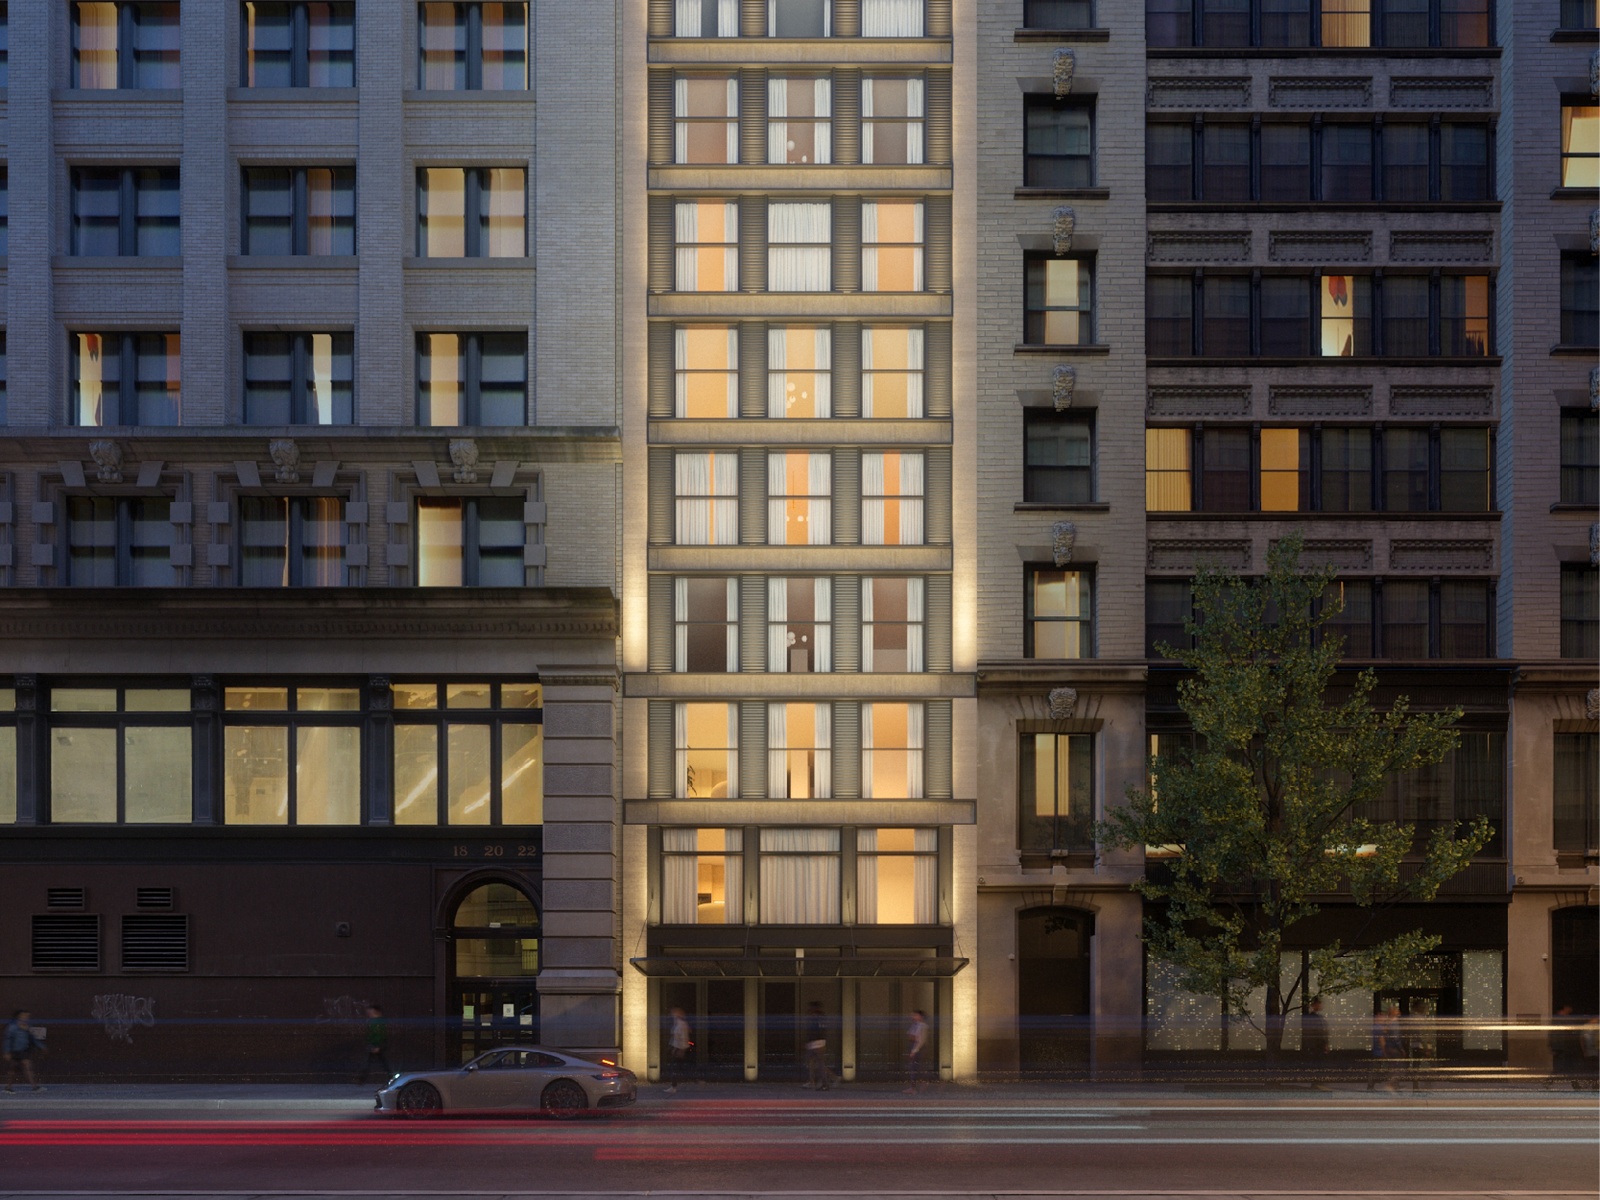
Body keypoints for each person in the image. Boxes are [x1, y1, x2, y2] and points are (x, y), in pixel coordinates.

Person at [1367, 1002, 1404, 1092]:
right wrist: (1385, 1052)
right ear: (1378, 1015)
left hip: (1379, 1051)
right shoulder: (1379, 1027)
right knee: (1386, 1069)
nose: (1384, 1017)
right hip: (1380, 1051)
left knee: (1383, 1068)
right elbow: (1382, 1040)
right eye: (1382, 1015)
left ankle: (1391, 1085)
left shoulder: (1378, 1026)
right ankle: (1388, 1085)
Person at [3, 1011, 43, 1093]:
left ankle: (34, 1087)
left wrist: (41, 1046)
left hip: (24, 1051)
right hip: (15, 1051)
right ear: (19, 1017)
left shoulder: (27, 1027)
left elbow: (32, 1038)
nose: (26, 1018)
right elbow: (8, 1040)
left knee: (26, 1067)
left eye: (27, 1016)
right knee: (14, 1069)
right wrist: (7, 1052)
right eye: (24, 1016)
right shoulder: (13, 1027)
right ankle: (8, 1087)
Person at [1548, 1005, 1582, 1088]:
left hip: (1564, 1046)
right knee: (1564, 1066)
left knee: (1566, 1066)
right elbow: (1556, 1034)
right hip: (1563, 1046)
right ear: (1566, 1008)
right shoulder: (1561, 1019)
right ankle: (1574, 1084)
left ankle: (1574, 1084)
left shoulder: (1561, 1018)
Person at [803, 1001, 832, 1091]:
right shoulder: (822, 1017)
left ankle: (822, 1083)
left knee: (815, 1063)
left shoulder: (813, 1017)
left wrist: (808, 1041)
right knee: (818, 1063)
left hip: (814, 1042)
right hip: (821, 1041)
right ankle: (818, 1082)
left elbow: (812, 1031)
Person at [359, 1004, 390, 1085]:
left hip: (375, 1045)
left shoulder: (377, 1022)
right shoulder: (376, 1021)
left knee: (374, 1062)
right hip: (374, 1045)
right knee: (381, 1062)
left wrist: (377, 1046)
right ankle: (362, 1079)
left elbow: (379, 1035)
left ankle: (362, 1079)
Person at [664, 1006, 691, 1095]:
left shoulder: (681, 1024)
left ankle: (674, 1086)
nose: (673, 1015)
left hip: (679, 1048)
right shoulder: (678, 1024)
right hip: (676, 1048)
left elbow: (683, 1038)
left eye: (674, 1013)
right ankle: (674, 1085)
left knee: (675, 1068)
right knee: (676, 1067)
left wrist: (681, 1050)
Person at [903, 1009, 928, 1095]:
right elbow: (910, 1035)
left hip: (918, 1048)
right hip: (913, 1046)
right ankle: (915, 1086)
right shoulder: (914, 1025)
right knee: (914, 1067)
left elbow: (921, 1040)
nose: (913, 1016)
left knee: (916, 1067)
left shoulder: (923, 1026)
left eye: (915, 1015)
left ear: (920, 1016)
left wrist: (914, 1050)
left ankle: (918, 1086)